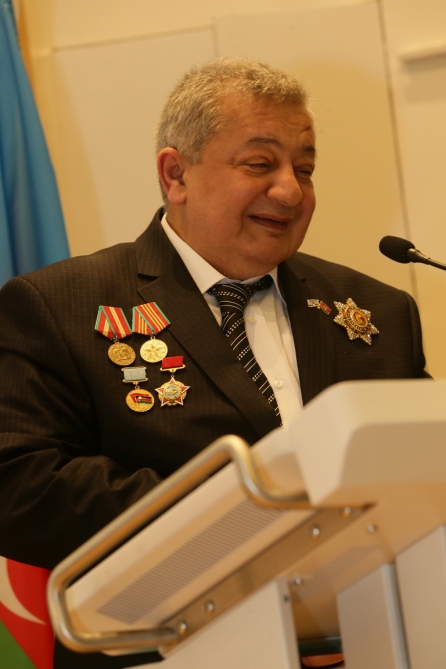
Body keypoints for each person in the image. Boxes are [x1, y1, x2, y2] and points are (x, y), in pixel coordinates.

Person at [0, 58, 427, 669]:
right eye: (259, 164)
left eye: (305, 169)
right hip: (165, 648)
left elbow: (422, 467)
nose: (290, 190)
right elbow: (19, 486)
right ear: (175, 174)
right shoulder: (61, 305)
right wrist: (244, 520)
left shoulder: (378, 311)